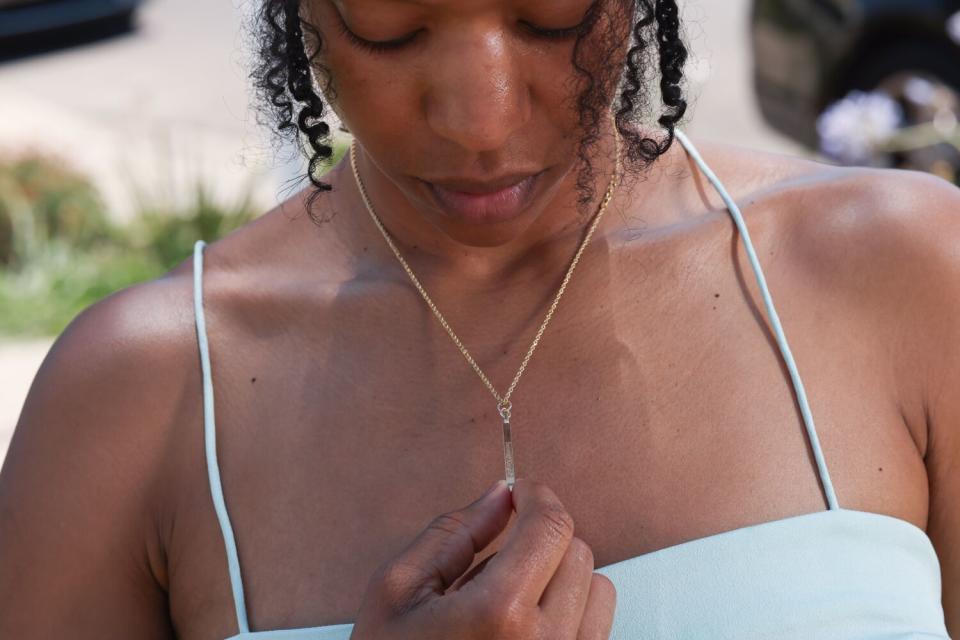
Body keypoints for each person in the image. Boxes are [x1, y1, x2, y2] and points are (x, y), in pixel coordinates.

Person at [1, 0, 958, 637]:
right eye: (390, 23)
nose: (481, 119)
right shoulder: (138, 404)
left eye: (547, 12)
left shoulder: (904, 273)